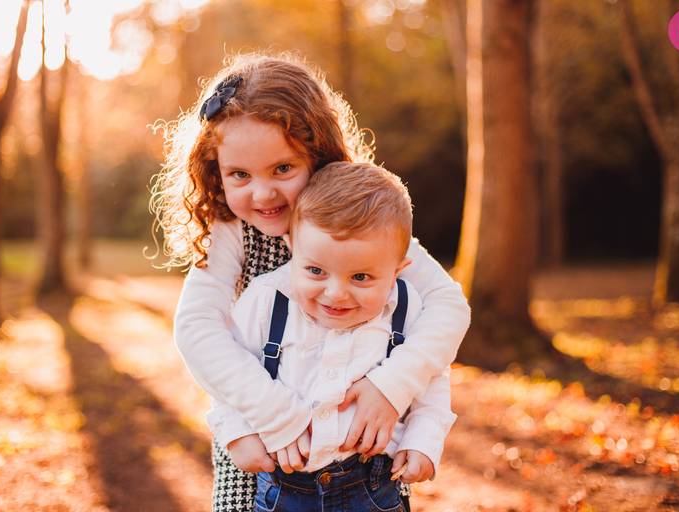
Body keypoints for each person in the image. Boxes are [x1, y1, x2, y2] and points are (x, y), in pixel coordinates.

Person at [150, 52, 471, 511]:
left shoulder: (360, 225)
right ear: (216, 172)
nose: (263, 193)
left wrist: (392, 385)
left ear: (318, 155)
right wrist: (276, 416)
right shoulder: (231, 229)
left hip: (362, 461)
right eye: (240, 175)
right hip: (262, 447)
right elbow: (197, 330)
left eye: (283, 169)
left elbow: (447, 306)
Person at [209, 161, 456, 512]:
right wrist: (237, 433)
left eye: (360, 277)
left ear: (397, 271)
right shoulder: (267, 299)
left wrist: (423, 440)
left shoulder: (406, 306)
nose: (336, 294)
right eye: (315, 271)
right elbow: (228, 372)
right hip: (284, 486)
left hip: (372, 486)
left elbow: (431, 380)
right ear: (292, 248)